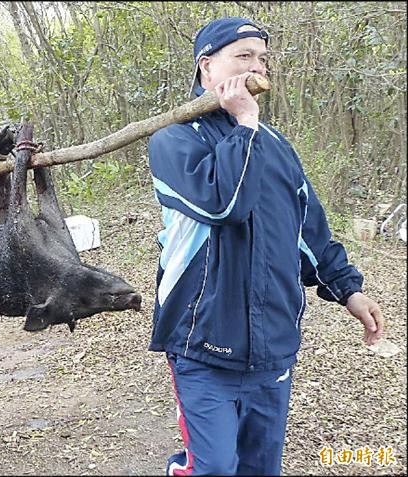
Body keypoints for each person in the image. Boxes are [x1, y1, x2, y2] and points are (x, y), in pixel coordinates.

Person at [147, 16, 384, 476]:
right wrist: (245, 123)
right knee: (212, 467)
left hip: (273, 343)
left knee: (260, 468)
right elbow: (223, 204)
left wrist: (348, 291)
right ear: (206, 67)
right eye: (243, 56)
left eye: (262, 58)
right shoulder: (173, 142)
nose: (257, 67)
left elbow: (310, 233)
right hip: (203, 343)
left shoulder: (277, 147)